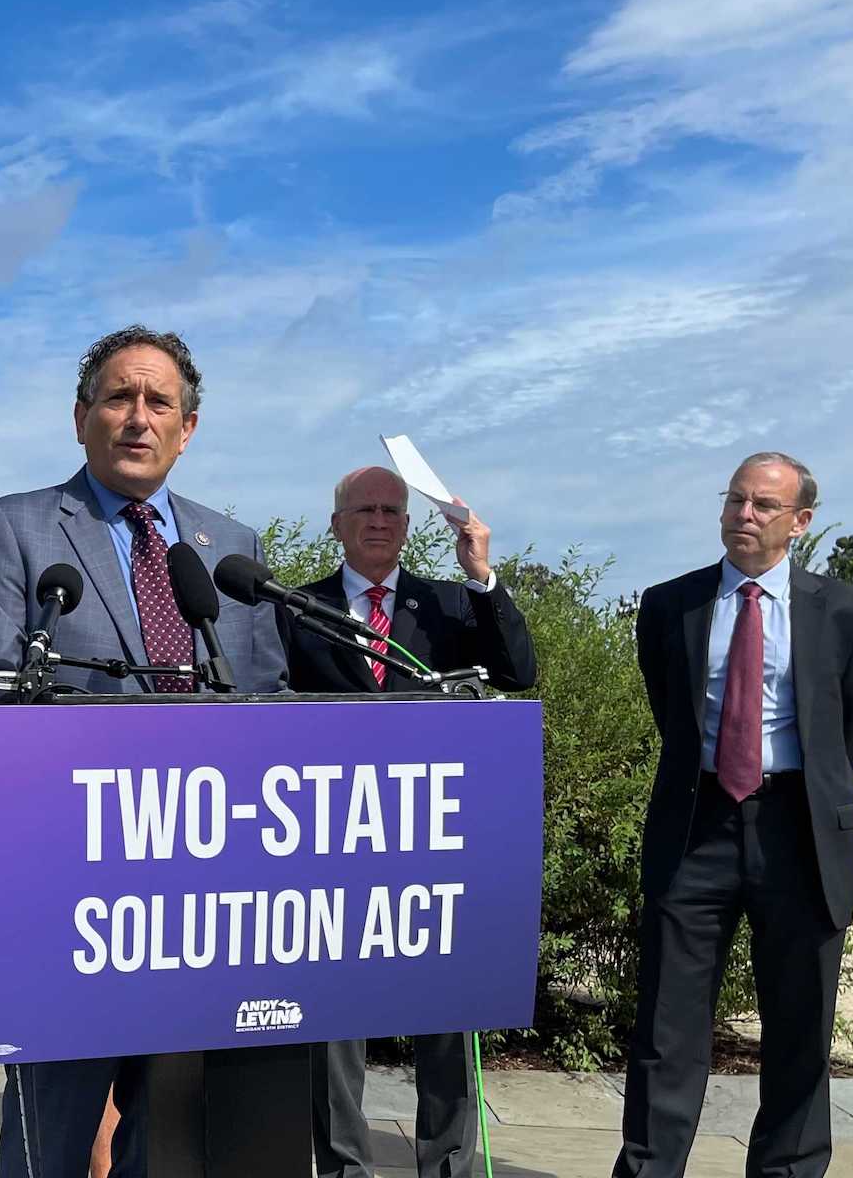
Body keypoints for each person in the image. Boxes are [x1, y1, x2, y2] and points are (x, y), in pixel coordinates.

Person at [0, 324, 289, 1178]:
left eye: (158, 402)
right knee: (49, 1142)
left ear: (188, 428)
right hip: (67, 883)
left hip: (204, 891)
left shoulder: (232, 549)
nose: (138, 417)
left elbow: (272, 702)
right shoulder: (13, 529)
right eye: (119, 397)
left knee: (173, 1139)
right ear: (81, 416)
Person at [614, 452, 853, 1178]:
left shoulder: (852, 615)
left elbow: (845, 736)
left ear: (799, 522)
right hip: (695, 826)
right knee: (666, 1030)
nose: (744, 515)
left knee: (799, 1030)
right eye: (736, 500)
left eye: (764, 505)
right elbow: (671, 713)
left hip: (797, 832)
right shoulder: (671, 605)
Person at [278, 465, 538, 1178]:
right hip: (332, 842)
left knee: (448, 1015)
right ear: (336, 525)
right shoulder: (296, 609)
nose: (380, 520)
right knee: (334, 1025)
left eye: (393, 510)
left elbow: (518, 670)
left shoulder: (451, 604)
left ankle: (449, 1164)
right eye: (364, 509)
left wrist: (483, 574)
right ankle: (342, 1168)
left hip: (432, 844)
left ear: (408, 525)